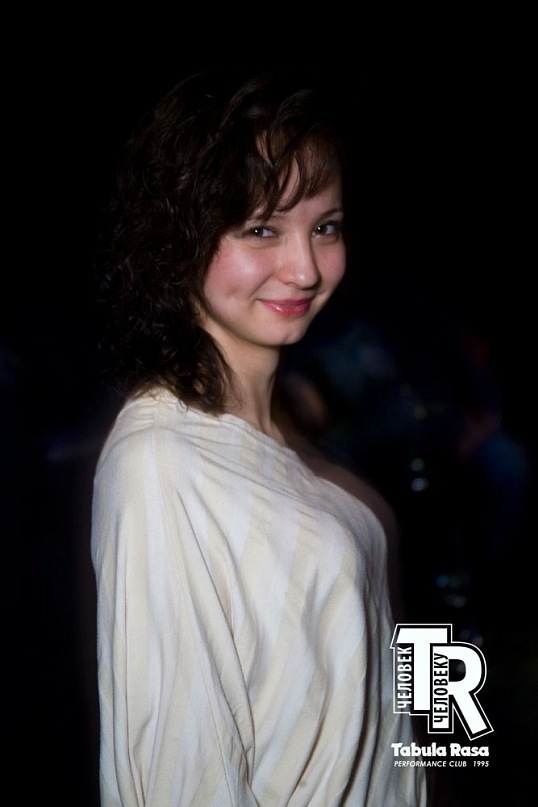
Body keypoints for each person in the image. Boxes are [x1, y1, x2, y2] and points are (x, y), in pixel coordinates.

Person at [91, 64, 428, 806]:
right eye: (261, 229)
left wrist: (450, 758)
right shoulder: (163, 462)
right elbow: (184, 779)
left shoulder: (291, 427)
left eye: (326, 227)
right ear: (178, 238)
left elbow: (391, 643)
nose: (305, 268)